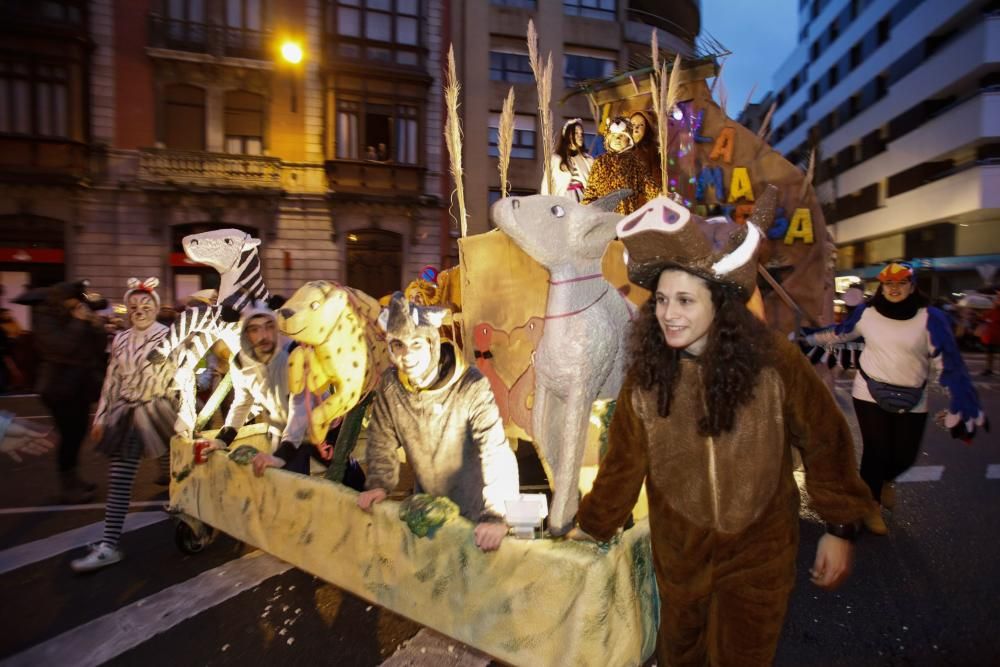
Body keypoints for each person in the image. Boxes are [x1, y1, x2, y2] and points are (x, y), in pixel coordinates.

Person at [570, 197, 875, 666]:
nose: (669, 313)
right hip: (679, 562)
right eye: (663, 300)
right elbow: (623, 464)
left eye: (686, 300)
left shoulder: (775, 362)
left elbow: (825, 441)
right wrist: (592, 526)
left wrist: (839, 527)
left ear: (721, 302)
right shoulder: (648, 376)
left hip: (758, 561)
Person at [806, 262, 987, 535]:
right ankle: (871, 506)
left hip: (914, 396)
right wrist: (804, 338)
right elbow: (838, 334)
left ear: (912, 286)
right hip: (869, 393)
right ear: (881, 286)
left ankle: (888, 480)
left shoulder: (931, 318)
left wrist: (958, 401)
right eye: (889, 284)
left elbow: (948, 363)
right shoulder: (867, 314)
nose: (894, 289)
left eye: (901, 283)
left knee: (905, 455)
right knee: (876, 451)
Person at [357, 293, 519, 552]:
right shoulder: (392, 385)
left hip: (476, 513)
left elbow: (494, 449)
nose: (407, 355)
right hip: (429, 511)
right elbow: (381, 436)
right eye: (398, 345)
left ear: (431, 343)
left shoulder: (470, 385)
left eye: (417, 345)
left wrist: (496, 515)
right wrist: (379, 482)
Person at [71, 278, 179, 572]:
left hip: (162, 409)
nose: (139, 310)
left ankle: (182, 504)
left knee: (175, 463)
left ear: (155, 308)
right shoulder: (120, 339)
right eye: (133, 306)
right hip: (127, 414)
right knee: (120, 475)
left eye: (145, 305)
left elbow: (181, 377)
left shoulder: (169, 336)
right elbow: (112, 380)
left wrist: (186, 414)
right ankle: (109, 544)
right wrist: (103, 416)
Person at [206, 301, 321, 478]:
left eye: (268, 327)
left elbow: (300, 405)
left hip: (320, 425)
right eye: (254, 330)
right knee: (285, 485)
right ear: (245, 333)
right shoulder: (240, 362)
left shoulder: (294, 353)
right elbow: (242, 402)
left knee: (345, 476)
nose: (263, 336)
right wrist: (222, 439)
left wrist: (283, 454)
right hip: (282, 432)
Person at [33, 281, 108, 504]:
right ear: (63, 300)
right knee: (69, 435)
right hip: (58, 388)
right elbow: (62, 347)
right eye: (76, 299)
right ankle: (68, 486)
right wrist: (77, 322)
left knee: (77, 433)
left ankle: (74, 479)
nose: (80, 304)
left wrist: (95, 326)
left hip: (80, 386)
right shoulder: (45, 317)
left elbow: (97, 348)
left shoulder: (79, 317)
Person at [581, 116, 659, 214]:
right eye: (614, 136)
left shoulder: (635, 163)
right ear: (608, 139)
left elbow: (649, 187)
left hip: (627, 216)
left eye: (621, 135)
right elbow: (591, 191)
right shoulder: (600, 162)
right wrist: (584, 212)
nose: (617, 139)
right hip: (606, 216)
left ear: (628, 139)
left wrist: (662, 196)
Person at [540, 118, 593, 202]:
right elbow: (546, 186)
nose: (580, 136)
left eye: (581, 133)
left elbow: (593, 184)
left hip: (584, 200)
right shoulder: (555, 159)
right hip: (562, 200)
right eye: (576, 133)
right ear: (568, 135)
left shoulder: (588, 160)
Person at [629, 110, 661, 185]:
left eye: (641, 125)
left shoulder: (651, 148)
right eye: (633, 124)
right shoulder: (622, 147)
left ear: (646, 129)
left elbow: (657, 173)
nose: (636, 127)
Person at [980, 294, 1000, 375]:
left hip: (994, 336)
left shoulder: (992, 311)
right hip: (992, 336)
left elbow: (983, 319)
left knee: (990, 353)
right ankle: (988, 369)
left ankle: (989, 369)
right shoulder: (991, 311)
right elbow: (983, 318)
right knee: (989, 353)